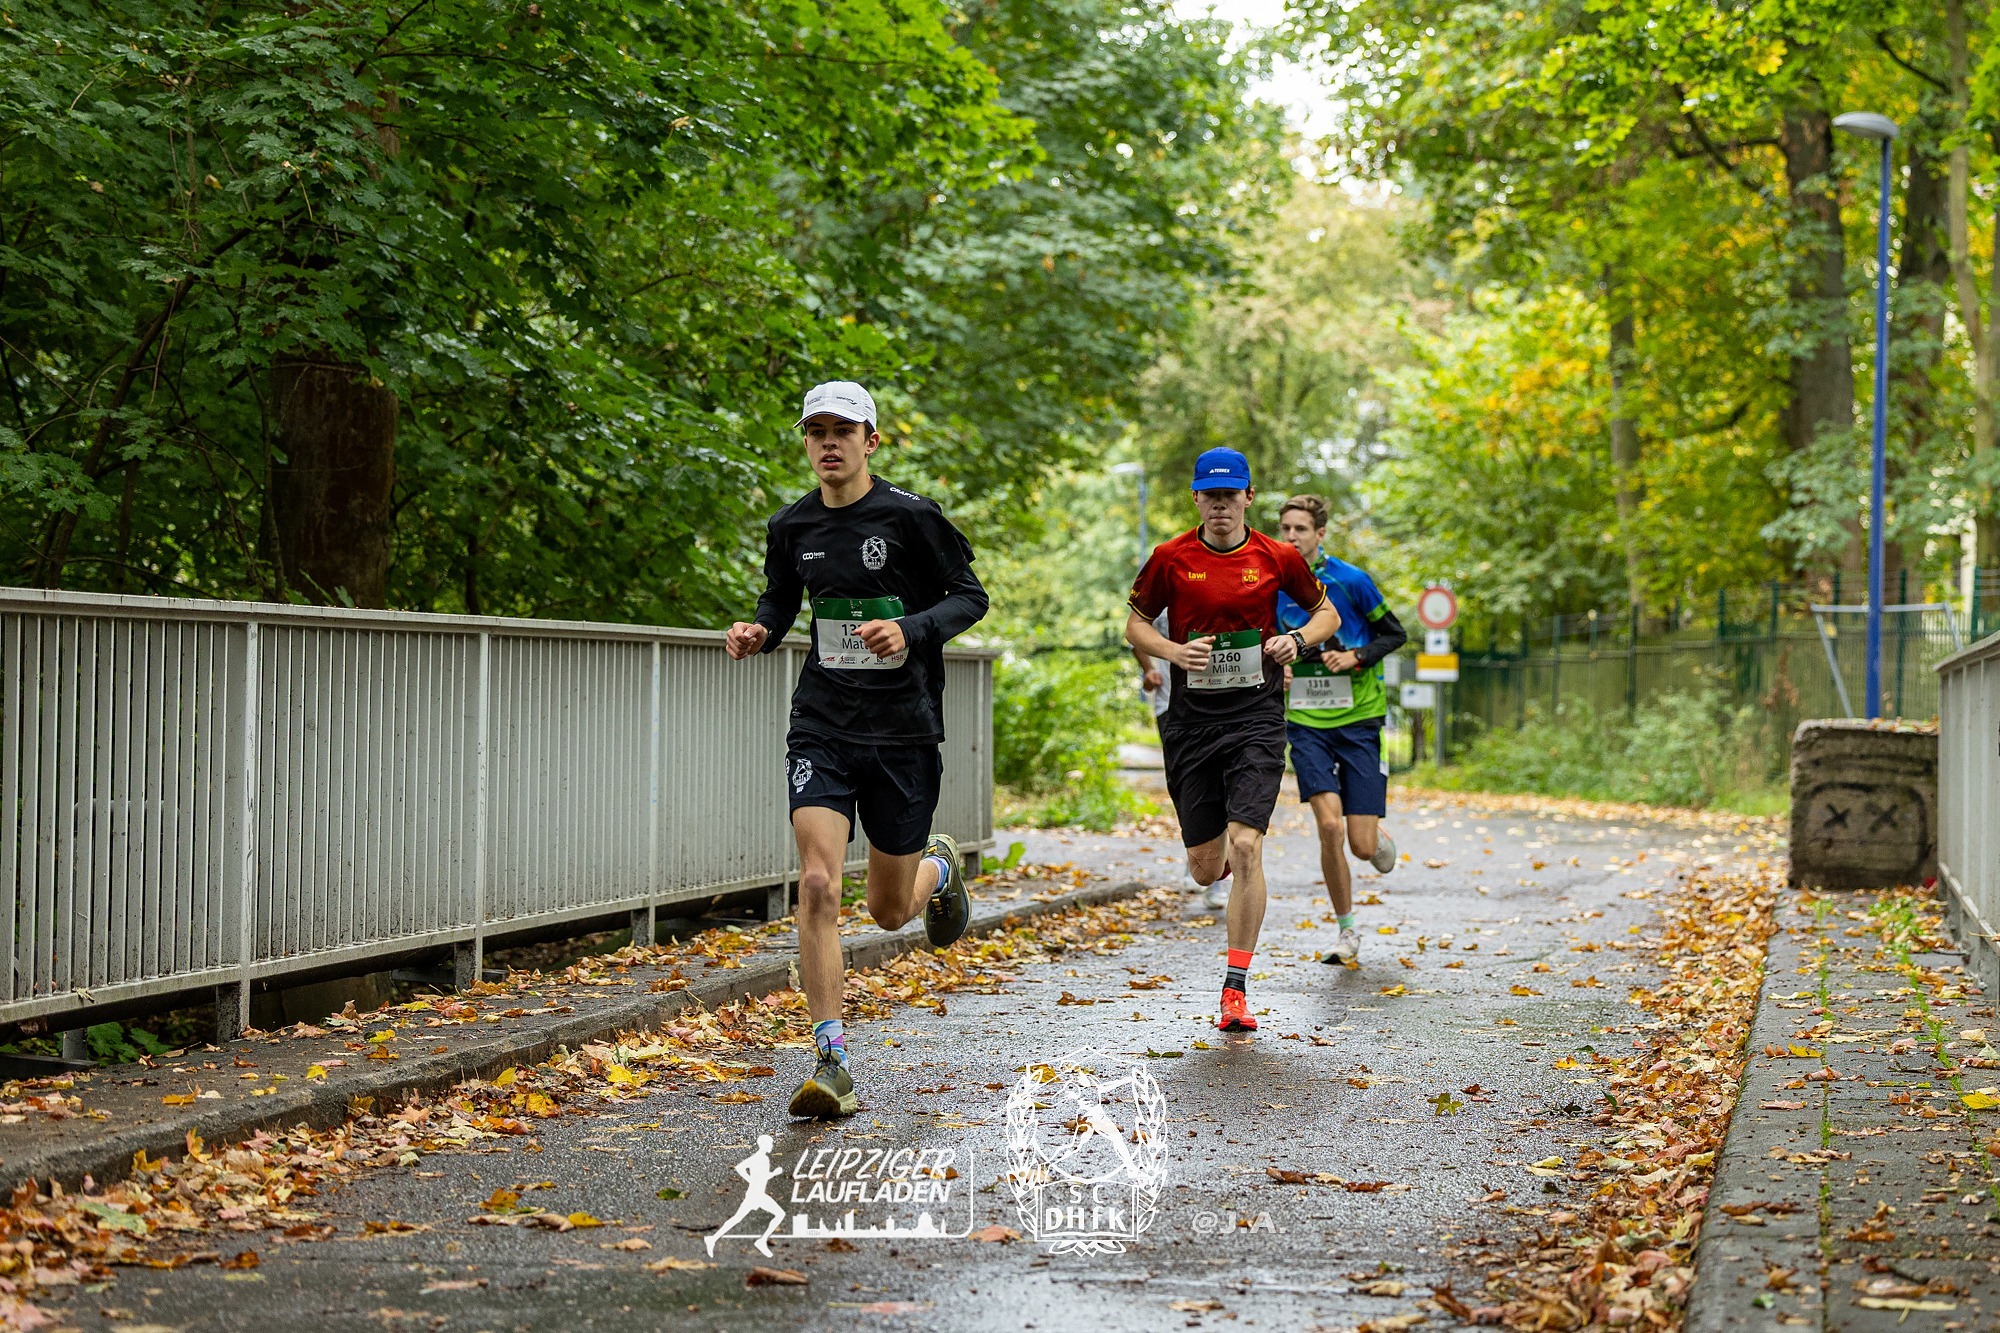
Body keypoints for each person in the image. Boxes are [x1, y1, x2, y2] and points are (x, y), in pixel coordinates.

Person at [726, 381, 988, 1118]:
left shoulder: (911, 517)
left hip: (904, 730)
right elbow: (782, 598)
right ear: (807, 442)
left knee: (889, 911)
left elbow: (969, 596)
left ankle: (939, 868)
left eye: (843, 430)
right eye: (817, 432)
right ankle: (832, 1056)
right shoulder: (791, 524)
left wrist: (910, 628)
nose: (829, 443)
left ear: (870, 441)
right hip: (824, 723)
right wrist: (759, 630)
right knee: (817, 882)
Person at [1125, 448, 1340, 1033]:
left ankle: (1235, 989)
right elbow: (1135, 625)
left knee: (1247, 846)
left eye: (1231, 495)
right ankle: (1212, 857)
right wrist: (1172, 651)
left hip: (1257, 718)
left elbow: (1327, 616)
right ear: (1197, 498)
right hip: (1191, 723)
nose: (1221, 506)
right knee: (1204, 868)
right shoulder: (1170, 557)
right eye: (1211, 496)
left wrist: (1297, 640)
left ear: (1248, 497)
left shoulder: (1277, 556)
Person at [1274, 495, 1409, 969]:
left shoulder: (1351, 581)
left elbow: (1394, 634)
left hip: (1359, 720)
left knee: (1361, 845)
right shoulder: (1272, 583)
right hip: (1306, 722)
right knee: (1329, 826)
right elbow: (1263, 641)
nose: (1291, 537)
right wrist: (1277, 669)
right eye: (1285, 529)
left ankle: (1376, 837)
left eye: (1300, 529)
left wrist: (1356, 656)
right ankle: (1347, 930)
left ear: (1320, 534)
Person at [1133, 614, 1229, 904]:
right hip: (1170, 707)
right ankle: (1197, 857)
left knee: (1221, 787)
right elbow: (1135, 638)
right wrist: (1149, 670)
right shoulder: (1156, 598)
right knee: (1188, 789)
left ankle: (1214, 878)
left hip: (1216, 705)